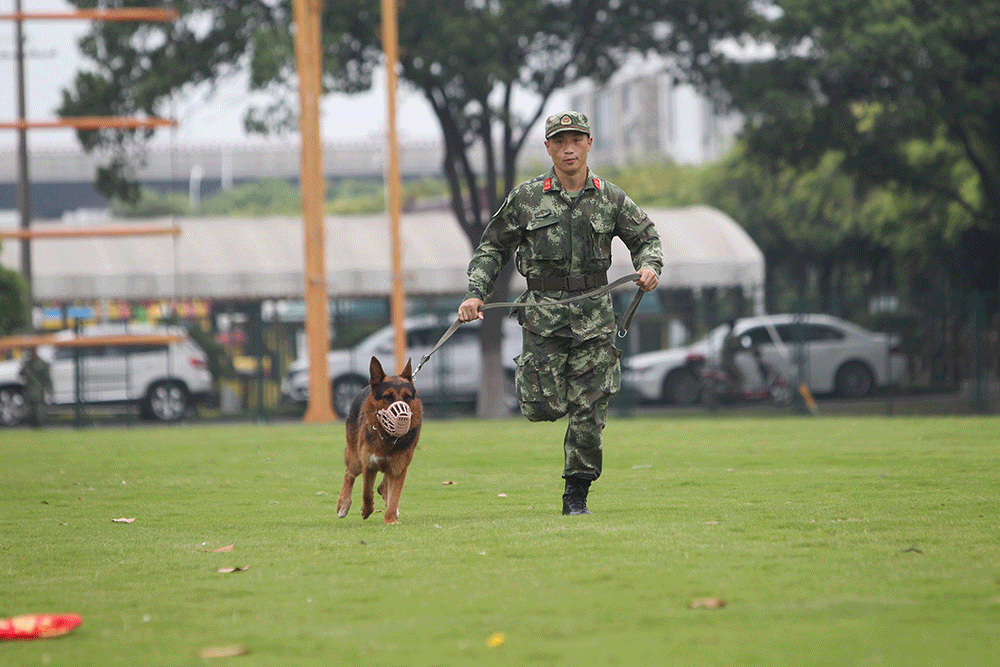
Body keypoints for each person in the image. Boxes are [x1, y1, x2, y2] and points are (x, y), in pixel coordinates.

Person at [458, 111, 662, 516]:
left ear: (589, 143)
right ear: (548, 147)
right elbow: (493, 248)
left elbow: (646, 236)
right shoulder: (527, 198)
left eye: (576, 139)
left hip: (594, 319)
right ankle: (555, 404)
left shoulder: (610, 197)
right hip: (543, 317)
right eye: (559, 141)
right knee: (542, 406)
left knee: (589, 408)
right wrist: (475, 293)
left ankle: (576, 496)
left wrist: (650, 266)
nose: (568, 147)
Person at [19, 347, 53, 427]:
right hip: (28, 390)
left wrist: (50, 391)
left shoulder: (42, 363)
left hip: (38, 390)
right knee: (28, 410)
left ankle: (40, 425)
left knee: (39, 410)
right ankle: (32, 425)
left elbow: (47, 378)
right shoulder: (27, 364)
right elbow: (21, 375)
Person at [720, 319, 745, 393]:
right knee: (739, 378)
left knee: (733, 378)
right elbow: (737, 346)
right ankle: (736, 394)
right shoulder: (731, 336)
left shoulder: (728, 336)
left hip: (726, 361)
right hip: (728, 362)